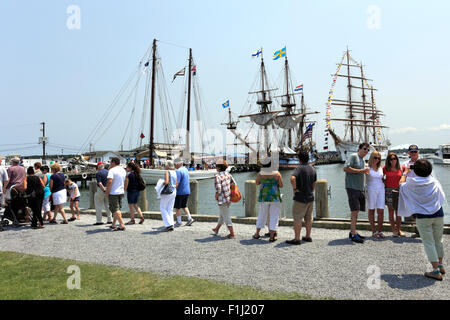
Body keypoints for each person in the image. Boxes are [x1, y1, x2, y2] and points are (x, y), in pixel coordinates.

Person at [398, 159, 446, 281]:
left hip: (423, 216)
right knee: (438, 240)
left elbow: (401, 184)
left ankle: (435, 270)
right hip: (438, 213)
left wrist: (405, 172)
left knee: (429, 242)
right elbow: (442, 196)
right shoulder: (433, 181)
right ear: (430, 170)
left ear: (415, 170)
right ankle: (440, 265)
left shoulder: (411, 182)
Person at [286, 149, 316, 245]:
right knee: (309, 218)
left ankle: (297, 238)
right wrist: (311, 190)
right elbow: (314, 182)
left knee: (297, 218)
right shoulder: (312, 169)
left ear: (299, 159)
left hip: (300, 198)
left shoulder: (298, 168)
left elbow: (292, 178)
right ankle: (307, 236)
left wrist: (295, 189)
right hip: (310, 197)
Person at [343, 143, 370, 243]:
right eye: (364, 149)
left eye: (367, 150)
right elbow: (345, 168)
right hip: (352, 187)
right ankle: (353, 234)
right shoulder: (353, 156)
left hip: (359, 188)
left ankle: (353, 231)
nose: (366, 151)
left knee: (357, 211)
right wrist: (362, 170)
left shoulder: (363, 160)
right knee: (354, 211)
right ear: (359, 149)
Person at [252, 159, 283, 242]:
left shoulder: (260, 174)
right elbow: (281, 185)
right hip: (275, 197)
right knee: (274, 216)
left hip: (264, 197)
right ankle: (272, 236)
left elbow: (257, 183)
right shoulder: (277, 174)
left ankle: (257, 234)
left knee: (261, 215)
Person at [401, 144, 422, 238]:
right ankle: (418, 230)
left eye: (415, 152)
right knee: (412, 211)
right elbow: (402, 176)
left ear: (418, 152)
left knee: (422, 211)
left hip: (420, 190)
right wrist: (406, 171)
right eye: (412, 152)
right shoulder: (405, 164)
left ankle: (421, 231)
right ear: (409, 153)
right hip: (409, 191)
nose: (413, 153)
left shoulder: (423, 163)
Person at [211, 160, 235, 239]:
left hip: (222, 199)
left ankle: (232, 233)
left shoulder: (217, 176)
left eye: (216, 166)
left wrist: (216, 195)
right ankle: (216, 229)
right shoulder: (228, 174)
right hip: (228, 198)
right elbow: (233, 184)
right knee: (222, 214)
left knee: (226, 216)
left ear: (218, 168)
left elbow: (219, 188)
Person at [383, 152, 404, 237]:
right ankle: (393, 229)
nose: (393, 160)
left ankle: (399, 229)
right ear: (388, 160)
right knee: (391, 211)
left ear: (397, 159)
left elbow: (405, 176)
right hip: (389, 191)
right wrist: (385, 182)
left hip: (399, 191)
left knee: (398, 212)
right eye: (391, 159)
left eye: (394, 158)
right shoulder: (385, 168)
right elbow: (380, 177)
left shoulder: (401, 168)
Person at [366, 151, 385, 238]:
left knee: (381, 210)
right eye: (375, 158)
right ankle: (373, 231)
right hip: (371, 189)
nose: (377, 160)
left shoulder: (380, 167)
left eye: (378, 158)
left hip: (381, 189)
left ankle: (380, 231)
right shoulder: (367, 167)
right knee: (371, 210)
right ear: (371, 158)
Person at [105, 157, 127, 231]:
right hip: (121, 192)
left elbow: (109, 181)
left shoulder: (111, 170)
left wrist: (107, 192)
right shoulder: (123, 170)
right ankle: (113, 224)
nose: (110, 163)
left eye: (111, 162)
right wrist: (124, 189)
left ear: (114, 162)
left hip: (113, 192)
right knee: (117, 209)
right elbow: (126, 180)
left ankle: (121, 224)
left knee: (115, 209)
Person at [174, 159, 194, 227]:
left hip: (180, 192)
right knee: (184, 205)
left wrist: (174, 189)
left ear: (177, 164)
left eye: (175, 164)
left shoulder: (178, 171)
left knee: (177, 207)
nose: (174, 166)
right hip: (187, 191)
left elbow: (177, 182)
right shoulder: (185, 169)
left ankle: (179, 222)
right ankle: (189, 218)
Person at [160, 160, 177, 231]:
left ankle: (168, 224)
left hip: (168, 192)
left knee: (162, 208)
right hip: (174, 191)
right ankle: (171, 223)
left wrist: (161, 183)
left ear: (167, 166)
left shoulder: (167, 172)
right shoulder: (174, 172)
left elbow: (166, 182)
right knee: (170, 209)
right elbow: (176, 184)